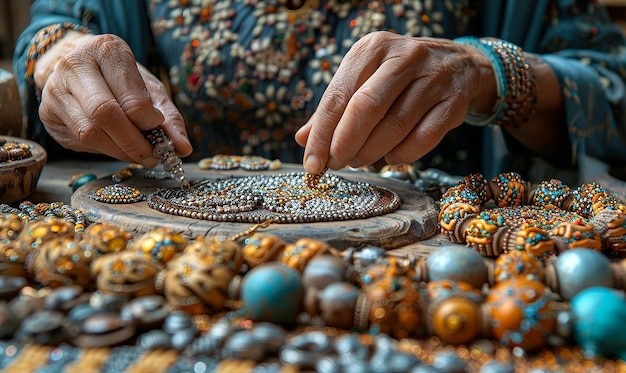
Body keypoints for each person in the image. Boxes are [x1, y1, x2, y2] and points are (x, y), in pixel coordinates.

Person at [12, 0, 626, 185]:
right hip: (178, 258)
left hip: (428, 274)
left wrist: (488, 71)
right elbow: (58, 25)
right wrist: (61, 55)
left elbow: (610, 86)